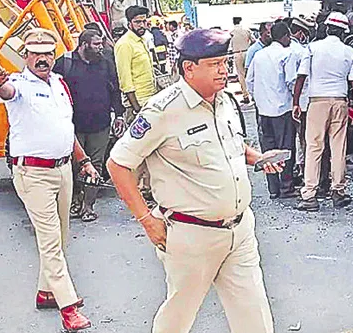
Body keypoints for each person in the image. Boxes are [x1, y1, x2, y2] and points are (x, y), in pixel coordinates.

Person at [106, 28, 281, 333]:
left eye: (225, 63)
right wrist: (147, 220)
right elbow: (118, 164)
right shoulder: (163, 110)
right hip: (192, 235)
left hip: (239, 230)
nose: (224, 71)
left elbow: (229, 144)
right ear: (189, 68)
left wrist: (255, 158)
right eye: (215, 65)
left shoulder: (225, 101)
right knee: (178, 317)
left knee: (255, 315)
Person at [0, 28, 96, 331]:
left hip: (63, 170)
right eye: (36, 53)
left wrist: (83, 160)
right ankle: (68, 308)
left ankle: (47, 292)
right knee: (50, 242)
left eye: (48, 53)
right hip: (33, 174)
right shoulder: (18, 84)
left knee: (60, 239)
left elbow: (65, 127)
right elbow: (6, 92)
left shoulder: (60, 84)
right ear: (25, 55)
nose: (42, 58)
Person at [53, 29, 125, 222]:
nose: (100, 47)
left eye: (101, 43)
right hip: (73, 127)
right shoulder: (65, 63)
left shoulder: (105, 64)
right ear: (83, 44)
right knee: (75, 165)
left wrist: (119, 115)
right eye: (96, 44)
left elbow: (115, 90)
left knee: (96, 164)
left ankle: (88, 206)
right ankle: (75, 201)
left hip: (100, 124)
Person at [293, 12, 353, 211]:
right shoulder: (350, 52)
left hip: (317, 102)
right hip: (340, 102)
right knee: (338, 147)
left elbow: (301, 77)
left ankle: (310, 196)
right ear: (343, 33)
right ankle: (338, 192)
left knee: (314, 147)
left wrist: (296, 103)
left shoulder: (312, 48)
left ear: (327, 28)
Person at [247, 21, 297, 199]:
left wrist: (257, 98)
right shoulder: (286, 54)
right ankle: (286, 187)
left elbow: (249, 81)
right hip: (282, 109)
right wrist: (296, 101)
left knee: (267, 149)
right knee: (285, 149)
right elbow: (291, 81)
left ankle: (273, 189)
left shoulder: (259, 55)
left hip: (262, 110)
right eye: (289, 36)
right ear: (284, 37)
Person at [114, 5, 157, 201]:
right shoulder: (125, 44)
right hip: (137, 106)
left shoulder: (142, 41)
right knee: (137, 150)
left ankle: (147, 188)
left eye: (144, 21)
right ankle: (132, 191)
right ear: (129, 23)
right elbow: (125, 80)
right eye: (138, 22)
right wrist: (137, 108)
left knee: (151, 147)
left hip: (150, 102)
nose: (142, 25)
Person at [284, 17, 313, 187]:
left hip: (291, 103)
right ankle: (304, 171)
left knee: (298, 138)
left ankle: (300, 169)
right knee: (304, 139)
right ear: (301, 33)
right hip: (301, 102)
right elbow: (294, 80)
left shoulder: (289, 50)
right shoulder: (300, 51)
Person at [229, 16, 252, 104]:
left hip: (237, 53)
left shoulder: (231, 33)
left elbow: (229, 45)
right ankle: (253, 94)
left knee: (241, 75)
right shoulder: (246, 31)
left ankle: (246, 95)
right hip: (247, 52)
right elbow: (253, 40)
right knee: (250, 73)